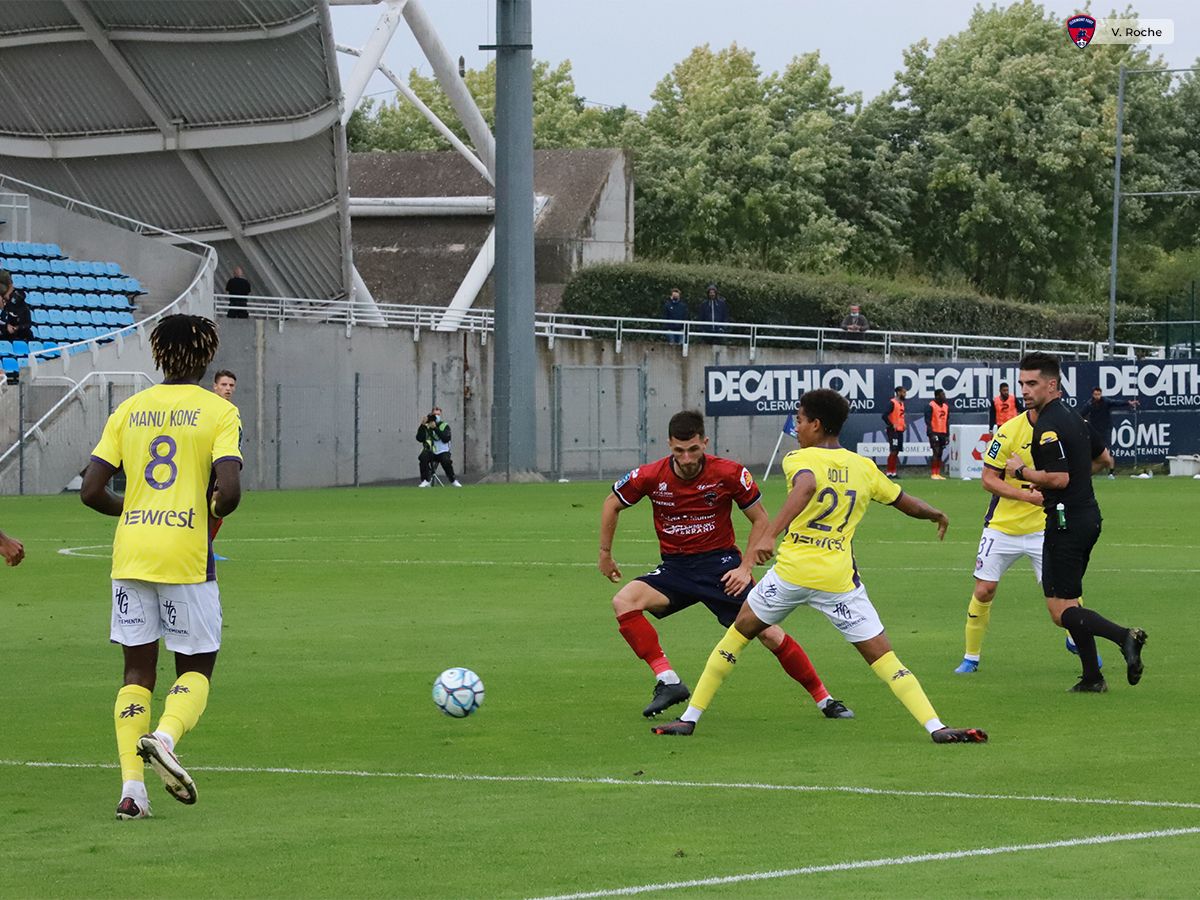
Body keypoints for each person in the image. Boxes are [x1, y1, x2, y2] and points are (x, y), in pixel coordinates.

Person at [652, 390, 986, 744]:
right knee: (884, 657)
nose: (796, 426)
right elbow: (904, 502)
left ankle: (689, 718)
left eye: (799, 419)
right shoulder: (864, 467)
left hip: (791, 575)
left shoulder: (799, 458)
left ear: (816, 424)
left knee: (737, 635)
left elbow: (807, 485)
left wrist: (770, 535)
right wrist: (935, 512)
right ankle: (935, 726)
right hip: (838, 581)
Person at [80, 314, 243, 820]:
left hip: (130, 554)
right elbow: (230, 493)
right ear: (206, 357)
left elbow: (90, 491)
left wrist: (130, 511)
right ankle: (166, 739)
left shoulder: (128, 409)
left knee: (135, 673)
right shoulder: (218, 411)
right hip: (186, 557)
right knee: (197, 666)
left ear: (157, 354)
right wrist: (212, 509)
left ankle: (133, 792)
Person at [599, 409, 853, 721]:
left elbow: (760, 519)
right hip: (676, 569)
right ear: (669, 446)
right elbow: (612, 503)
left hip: (722, 569)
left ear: (704, 442)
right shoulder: (651, 476)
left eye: (694, 449)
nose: (688, 458)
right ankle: (668, 681)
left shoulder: (729, 473)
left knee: (769, 634)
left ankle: (824, 699)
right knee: (624, 601)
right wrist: (605, 554)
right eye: (679, 451)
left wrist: (745, 567)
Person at [1004, 352, 1147, 693]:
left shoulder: (1048, 426)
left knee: (1059, 611)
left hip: (1065, 522)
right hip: (1088, 516)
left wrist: (1022, 472)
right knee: (1071, 600)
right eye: (1021, 383)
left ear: (1051, 385)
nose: (1024, 390)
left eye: (1032, 383)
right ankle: (1092, 678)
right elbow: (1104, 459)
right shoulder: (1075, 416)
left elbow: (1059, 478)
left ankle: (1124, 637)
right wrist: (1065, 477)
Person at [209, 370, 238, 559]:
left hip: (224, 466)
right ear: (215, 386)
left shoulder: (231, 411)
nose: (227, 389)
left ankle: (206, 548)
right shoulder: (210, 409)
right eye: (224, 385)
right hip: (212, 467)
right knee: (211, 508)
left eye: (231, 385)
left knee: (217, 511)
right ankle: (203, 549)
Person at [1081, 387, 1139, 479]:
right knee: (1090, 453)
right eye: (1095, 394)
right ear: (1092, 395)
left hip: (1105, 431)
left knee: (1108, 451)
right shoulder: (1089, 404)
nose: (1097, 396)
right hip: (1094, 432)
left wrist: (1128, 403)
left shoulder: (1106, 402)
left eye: (1099, 394)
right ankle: (1088, 473)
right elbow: (1081, 414)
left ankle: (1111, 473)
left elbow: (1116, 403)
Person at [416, 406, 461, 487]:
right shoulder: (426, 426)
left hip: (443, 451)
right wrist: (422, 425)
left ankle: (453, 480)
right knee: (423, 457)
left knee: (446, 461)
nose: (436, 417)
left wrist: (435, 428)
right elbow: (419, 438)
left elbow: (446, 438)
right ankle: (425, 480)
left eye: (438, 414)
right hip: (431, 450)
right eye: (434, 415)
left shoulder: (444, 425)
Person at [1, 269, 33, 342]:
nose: (14, 298)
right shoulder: (8, 304)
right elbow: (3, 317)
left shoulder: (25, 309)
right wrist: (7, 325)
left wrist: (17, 327)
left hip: (18, 329)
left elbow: (28, 324)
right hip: (7, 327)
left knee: (29, 333)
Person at [882, 386, 907, 477]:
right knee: (893, 450)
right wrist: (891, 424)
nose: (905, 394)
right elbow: (884, 415)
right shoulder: (892, 403)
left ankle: (894, 472)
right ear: (899, 392)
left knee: (897, 451)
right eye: (904, 392)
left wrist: (903, 424)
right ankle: (889, 472)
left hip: (900, 430)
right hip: (893, 431)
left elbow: (900, 416)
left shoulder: (901, 403)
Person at [925, 388, 949, 479]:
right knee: (936, 451)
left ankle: (938, 473)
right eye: (942, 395)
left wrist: (947, 435)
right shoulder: (931, 406)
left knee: (940, 453)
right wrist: (931, 433)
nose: (944, 397)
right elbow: (928, 420)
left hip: (942, 432)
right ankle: (933, 473)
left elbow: (947, 421)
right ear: (937, 396)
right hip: (934, 432)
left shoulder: (946, 407)